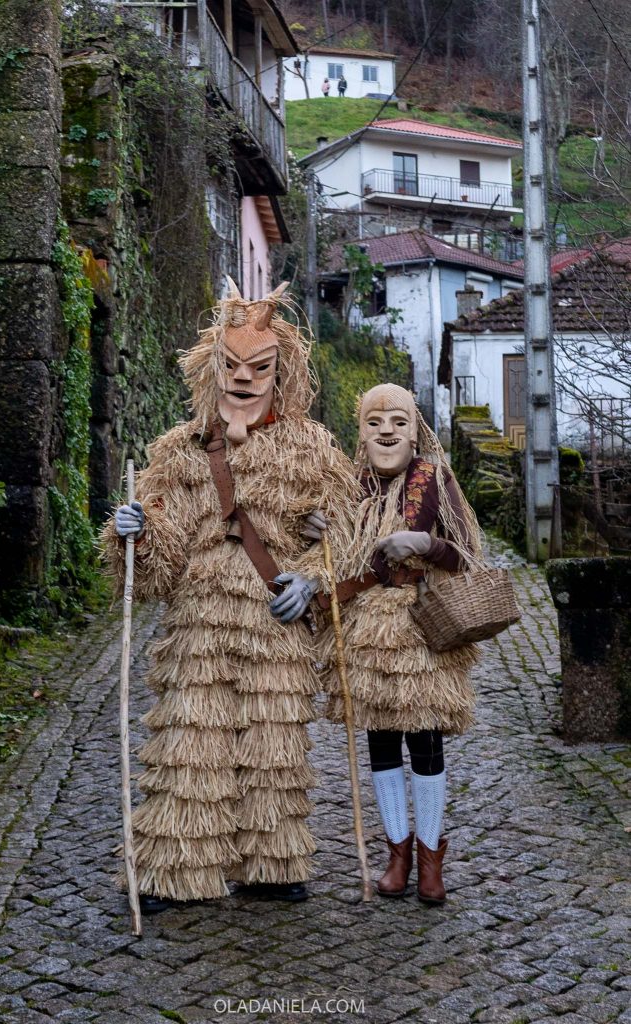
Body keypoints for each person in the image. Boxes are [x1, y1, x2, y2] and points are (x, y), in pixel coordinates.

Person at [102, 278, 357, 913]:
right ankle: (175, 869)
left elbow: (345, 538)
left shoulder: (313, 448)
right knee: (192, 734)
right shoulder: (178, 451)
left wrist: (312, 577)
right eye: (232, 366)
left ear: (283, 373)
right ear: (212, 370)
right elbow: (158, 561)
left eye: (260, 368)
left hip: (275, 614)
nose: (245, 379)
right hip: (200, 617)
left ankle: (270, 866)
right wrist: (134, 532)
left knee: (273, 741)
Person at [311, 383, 481, 905]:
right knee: (381, 738)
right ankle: (396, 854)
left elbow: (470, 554)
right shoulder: (345, 483)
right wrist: (318, 530)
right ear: (360, 432)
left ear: (416, 430)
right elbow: (328, 560)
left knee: (425, 739)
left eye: (398, 422)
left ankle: (431, 858)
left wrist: (429, 545)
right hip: (365, 630)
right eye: (374, 422)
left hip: (420, 628)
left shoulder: (435, 479)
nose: (387, 431)